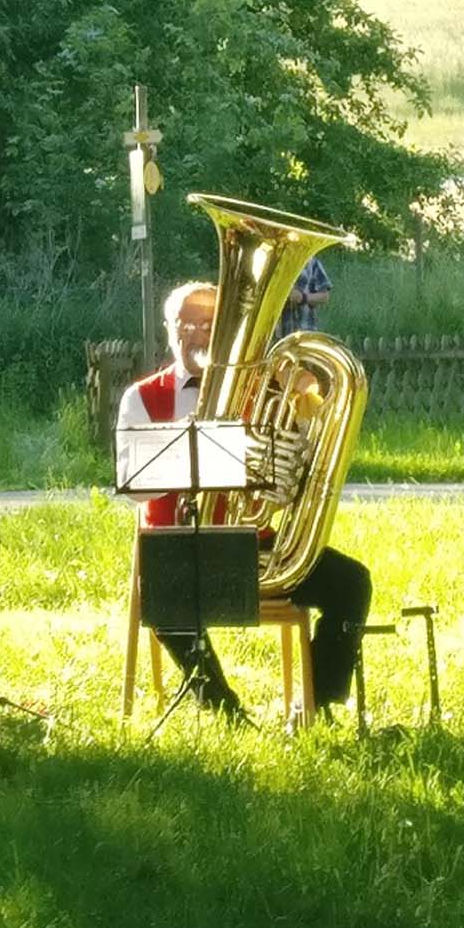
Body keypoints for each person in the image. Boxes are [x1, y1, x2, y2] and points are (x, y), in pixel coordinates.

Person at [117, 281, 372, 718]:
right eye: (185, 322)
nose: (196, 333)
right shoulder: (140, 397)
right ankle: (226, 713)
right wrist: (195, 441)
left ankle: (315, 704)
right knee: (167, 600)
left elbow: (295, 476)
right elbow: (133, 487)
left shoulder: (266, 393)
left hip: (253, 544)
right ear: (168, 328)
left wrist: (302, 416)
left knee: (351, 583)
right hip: (180, 547)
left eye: (209, 324)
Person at [276, 255, 332, 338]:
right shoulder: (276, 263)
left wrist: (303, 298)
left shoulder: (313, 263)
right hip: (276, 333)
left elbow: (325, 296)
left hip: (305, 331)